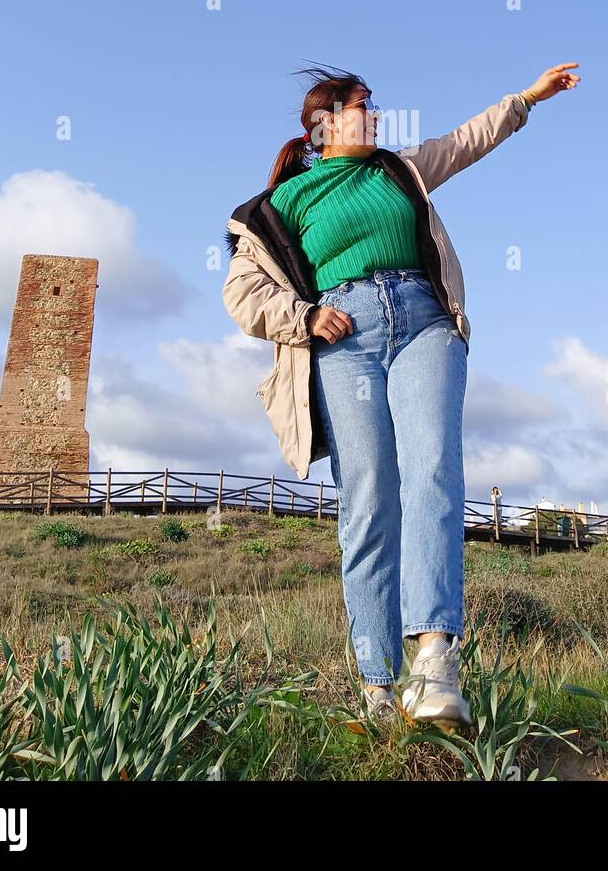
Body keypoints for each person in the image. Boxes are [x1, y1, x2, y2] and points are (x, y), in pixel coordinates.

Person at [222, 60, 580, 726]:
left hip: (425, 324)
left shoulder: (399, 169)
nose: (377, 115)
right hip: (344, 338)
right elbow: (242, 293)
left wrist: (529, 97)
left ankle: (435, 662)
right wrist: (302, 319)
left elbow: (468, 139)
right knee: (369, 503)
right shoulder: (280, 206)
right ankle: (378, 689)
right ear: (325, 124)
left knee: (434, 471)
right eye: (363, 105)